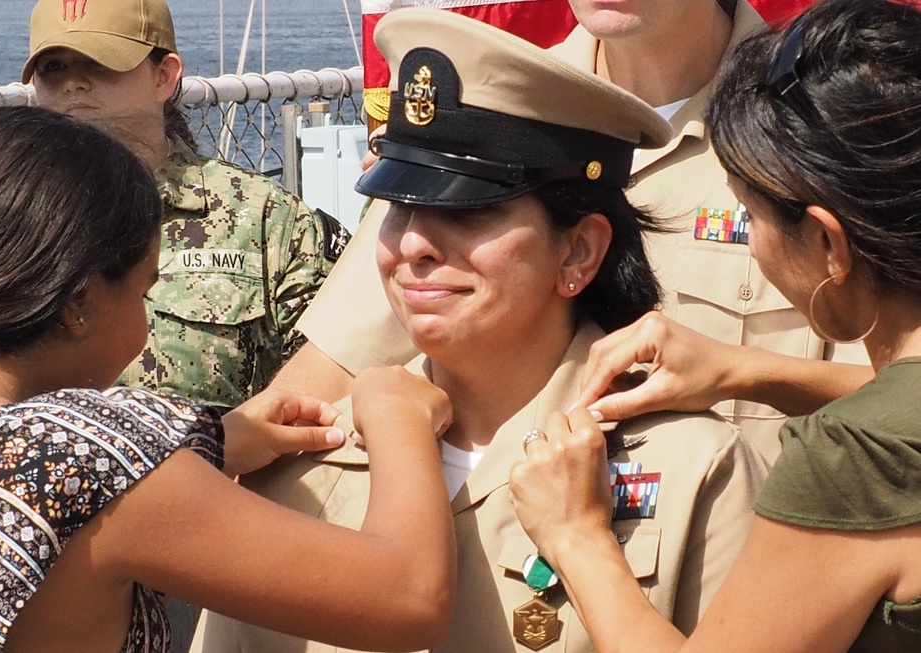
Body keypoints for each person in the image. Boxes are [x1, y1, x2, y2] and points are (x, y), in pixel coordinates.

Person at [191, 9, 767, 653]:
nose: (414, 242)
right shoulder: (299, 472)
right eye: (399, 205)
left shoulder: (692, 470)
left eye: (468, 210)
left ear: (578, 252)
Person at [0, 105, 456, 653]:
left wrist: (212, 444)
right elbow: (409, 601)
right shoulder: (76, 453)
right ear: (79, 303)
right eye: (143, 291)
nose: (145, 321)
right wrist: (398, 417)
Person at [272, 0, 868, 465]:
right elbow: (315, 390)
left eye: (474, 212)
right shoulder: (486, 111)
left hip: (743, 577)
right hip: (510, 568)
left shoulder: (823, 124)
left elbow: (901, 394)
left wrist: (745, 373)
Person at [509, 1, 921, 650]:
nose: (751, 240)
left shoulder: (855, 463)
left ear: (828, 246)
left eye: (752, 217)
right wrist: (743, 370)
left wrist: (576, 537)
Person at [22, 0, 350, 414]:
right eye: (54, 68)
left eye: (101, 63)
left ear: (164, 77)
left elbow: (341, 362)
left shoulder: (264, 219)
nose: (74, 84)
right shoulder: (7, 223)